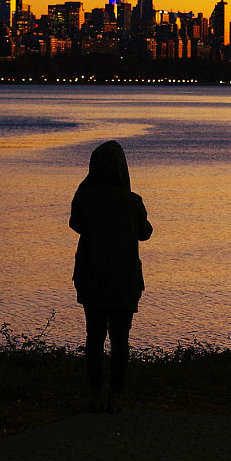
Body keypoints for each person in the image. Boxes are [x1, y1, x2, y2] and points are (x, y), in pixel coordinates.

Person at [69, 139, 152, 413]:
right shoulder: (132, 202)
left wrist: (86, 184)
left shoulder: (85, 199)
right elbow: (145, 232)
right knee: (120, 340)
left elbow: (75, 224)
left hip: (92, 277)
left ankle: (95, 395)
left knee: (94, 337)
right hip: (123, 280)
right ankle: (116, 396)